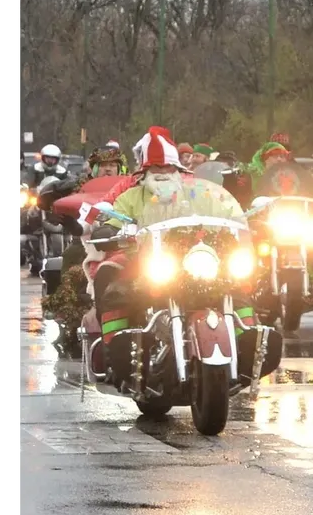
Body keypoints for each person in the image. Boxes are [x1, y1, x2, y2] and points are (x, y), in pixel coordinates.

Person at [88, 127, 254, 390]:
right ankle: (116, 357)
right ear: (144, 173)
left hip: (193, 259)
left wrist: (238, 220)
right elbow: (111, 218)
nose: (163, 173)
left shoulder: (198, 193)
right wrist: (109, 228)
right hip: (144, 260)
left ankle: (249, 345)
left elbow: (223, 211)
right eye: (156, 169)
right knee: (113, 287)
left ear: (178, 170)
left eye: (168, 168)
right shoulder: (131, 196)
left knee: (236, 283)